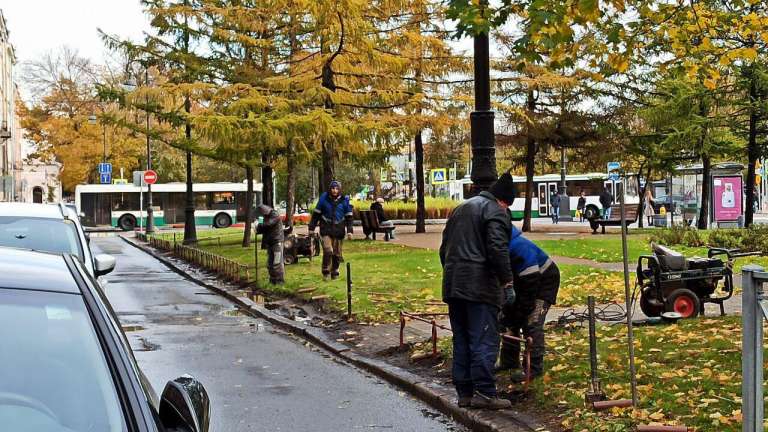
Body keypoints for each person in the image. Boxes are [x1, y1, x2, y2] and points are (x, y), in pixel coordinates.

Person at [439, 172, 516, 410]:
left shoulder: (461, 209)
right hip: (480, 287)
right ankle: (484, 392)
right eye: (507, 205)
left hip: (454, 285)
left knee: (461, 338)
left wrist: (455, 274)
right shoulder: (495, 211)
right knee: (484, 338)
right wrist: (507, 282)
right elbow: (497, 249)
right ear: (504, 201)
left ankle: (465, 392)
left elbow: (444, 250)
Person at [497, 224, 560, 381]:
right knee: (509, 318)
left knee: (532, 322)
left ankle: (533, 368)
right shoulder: (499, 246)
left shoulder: (519, 247)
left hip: (544, 281)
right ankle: (509, 361)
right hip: (522, 282)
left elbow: (530, 283)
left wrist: (523, 309)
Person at [309, 180, 354, 280]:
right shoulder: (323, 199)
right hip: (326, 229)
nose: (334, 190)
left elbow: (349, 217)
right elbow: (316, 215)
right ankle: (325, 270)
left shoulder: (344, 201)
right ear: (330, 189)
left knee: (337, 254)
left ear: (340, 190)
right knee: (328, 250)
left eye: (337, 188)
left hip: (339, 230)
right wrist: (311, 228)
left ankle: (335, 271)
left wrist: (350, 231)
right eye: (333, 188)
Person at [254, 204, 285, 285]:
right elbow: (262, 228)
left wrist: (259, 224)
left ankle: (279, 281)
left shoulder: (274, 214)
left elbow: (269, 224)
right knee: (270, 263)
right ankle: (272, 280)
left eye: (262, 214)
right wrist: (257, 228)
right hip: (269, 242)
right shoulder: (264, 217)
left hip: (276, 241)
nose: (262, 216)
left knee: (277, 262)